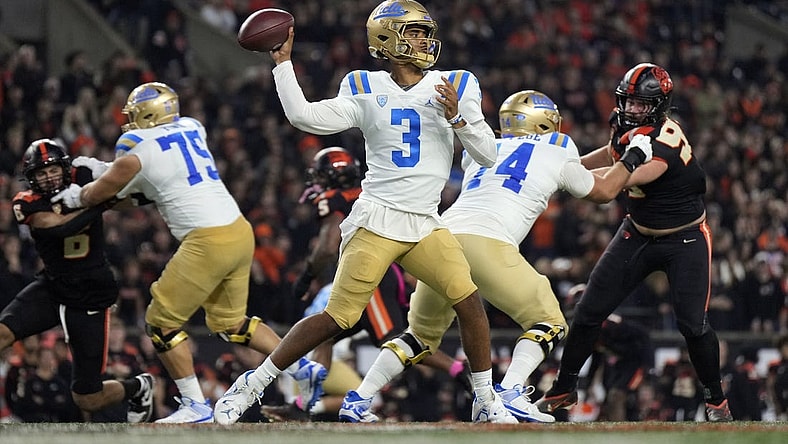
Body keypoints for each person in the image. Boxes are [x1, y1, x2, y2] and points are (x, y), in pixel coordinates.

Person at [214, 0, 516, 425]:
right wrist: (282, 63)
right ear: (386, 40)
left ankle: (485, 399)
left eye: (424, 32)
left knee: (469, 303)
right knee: (338, 317)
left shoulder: (458, 84)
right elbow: (304, 117)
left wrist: (458, 122)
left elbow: (487, 157)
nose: (423, 40)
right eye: (412, 32)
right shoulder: (363, 85)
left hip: (426, 222)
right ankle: (253, 383)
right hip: (377, 218)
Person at [339, 89, 652, 423]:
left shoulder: (482, 149)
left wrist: (611, 154)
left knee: (419, 337)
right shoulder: (559, 150)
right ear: (547, 123)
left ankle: (358, 399)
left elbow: (549, 165)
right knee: (550, 321)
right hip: (487, 243)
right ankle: (511, 390)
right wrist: (630, 158)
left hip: (439, 238)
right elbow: (603, 191)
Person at [50, 82, 327, 424]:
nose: (131, 122)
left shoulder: (135, 145)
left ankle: (194, 405)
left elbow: (101, 194)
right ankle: (302, 368)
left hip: (206, 240)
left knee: (160, 323)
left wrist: (77, 194)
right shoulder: (192, 128)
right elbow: (145, 183)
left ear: (148, 115)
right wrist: (108, 173)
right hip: (239, 231)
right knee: (231, 323)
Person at [535, 62, 734, 422]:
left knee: (692, 324)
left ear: (657, 106)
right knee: (588, 312)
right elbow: (611, 154)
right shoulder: (630, 130)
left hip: (684, 239)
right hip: (638, 231)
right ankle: (564, 388)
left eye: (640, 105)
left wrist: (563, 177)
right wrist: (568, 165)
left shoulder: (662, 146)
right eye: (627, 102)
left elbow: (611, 184)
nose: (631, 110)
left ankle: (716, 400)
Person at [276, 147, 472, 420]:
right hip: (380, 269)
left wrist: (308, 274)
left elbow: (328, 246)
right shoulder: (367, 192)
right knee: (326, 337)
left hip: (372, 274)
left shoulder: (334, 199)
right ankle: (303, 406)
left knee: (392, 339)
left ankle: (457, 369)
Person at [0, 138, 153, 423]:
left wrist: (126, 191)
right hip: (54, 285)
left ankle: (138, 386)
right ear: (31, 179)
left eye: (53, 169)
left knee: (87, 397)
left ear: (65, 166)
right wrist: (101, 200)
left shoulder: (84, 172)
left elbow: (130, 184)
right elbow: (62, 228)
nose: (49, 177)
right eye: (41, 173)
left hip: (90, 293)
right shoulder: (26, 202)